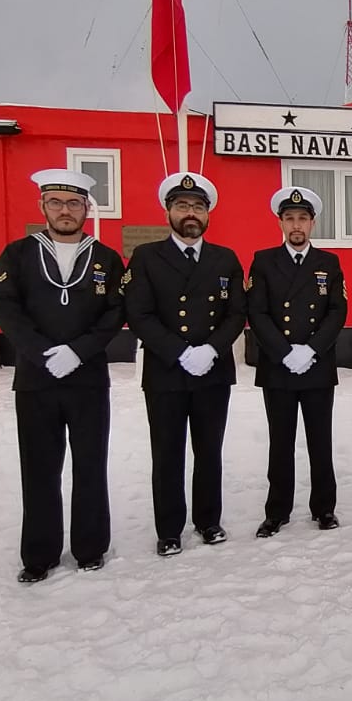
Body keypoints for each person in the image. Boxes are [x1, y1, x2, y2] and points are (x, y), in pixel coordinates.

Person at [0, 169, 125, 583]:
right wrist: (43, 353)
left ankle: (89, 547)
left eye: (74, 203)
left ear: (87, 207)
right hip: (37, 379)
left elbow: (115, 312)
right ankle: (39, 554)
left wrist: (79, 351)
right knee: (40, 468)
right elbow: (5, 308)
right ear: (43, 207)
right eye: (56, 203)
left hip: (87, 379)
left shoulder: (105, 258)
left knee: (90, 465)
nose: (65, 211)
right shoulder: (18, 254)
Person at [122, 172, 247, 556]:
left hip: (212, 370)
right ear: (168, 213)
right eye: (181, 206)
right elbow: (139, 313)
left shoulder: (224, 258)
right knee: (168, 452)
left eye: (197, 207)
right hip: (166, 371)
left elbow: (235, 312)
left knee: (209, 450)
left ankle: (209, 521)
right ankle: (170, 529)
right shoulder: (147, 257)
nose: (190, 213)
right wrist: (179, 351)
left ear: (207, 215)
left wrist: (210, 349)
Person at [247, 186, 348, 536]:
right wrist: (285, 351)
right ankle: (277, 511)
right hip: (279, 367)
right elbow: (257, 312)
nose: (296, 225)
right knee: (281, 441)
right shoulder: (263, 261)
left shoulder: (328, 263)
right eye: (289, 218)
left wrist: (312, 349)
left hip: (316, 366)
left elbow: (337, 311)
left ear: (313, 223)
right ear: (280, 223)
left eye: (303, 218)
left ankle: (324, 508)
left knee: (321, 440)